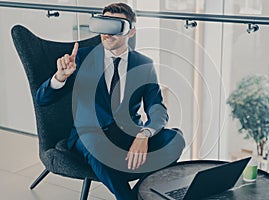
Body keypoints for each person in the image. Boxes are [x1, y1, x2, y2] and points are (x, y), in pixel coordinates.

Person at [35, 3, 185, 200]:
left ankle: (141, 190)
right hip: (90, 137)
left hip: (130, 135)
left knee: (175, 139)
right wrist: (60, 78)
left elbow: (157, 108)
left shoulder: (144, 64)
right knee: (97, 146)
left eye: (115, 26)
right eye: (104, 24)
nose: (107, 33)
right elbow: (42, 100)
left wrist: (144, 134)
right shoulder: (80, 59)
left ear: (130, 31)